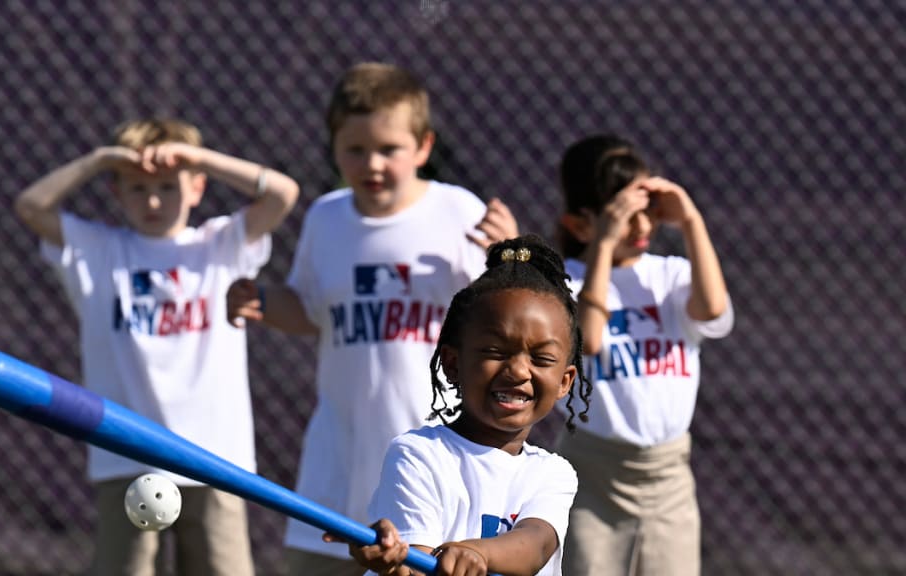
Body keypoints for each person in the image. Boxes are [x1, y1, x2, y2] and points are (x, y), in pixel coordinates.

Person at [226, 62, 518, 576]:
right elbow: (310, 309)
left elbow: (507, 316)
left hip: (434, 464)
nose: (372, 164)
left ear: (424, 147)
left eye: (389, 149)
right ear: (334, 148)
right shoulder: (326, 217)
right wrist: (264, 302)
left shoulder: (458, 213)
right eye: (355, 150)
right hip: (337, 466)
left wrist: (509, 256)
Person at [13, 118, 300, 576]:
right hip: (125, 456)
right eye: (136, 187)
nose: (152, 200)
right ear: (116, 192)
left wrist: (199, 157)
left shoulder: (220, 245)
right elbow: (30, 206)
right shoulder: (99, 251)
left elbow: (283, 194)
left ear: (197, 188)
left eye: (168, 187)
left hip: (214, 458)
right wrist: (99, 160)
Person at [327, 235, 594, 576]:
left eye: (541, 358)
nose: (517, 371)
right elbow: (414, 566)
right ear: (453, 364)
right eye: (495, 352)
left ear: (564, 382)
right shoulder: (419, 454)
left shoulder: (552, 473)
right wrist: (393, 566)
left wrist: (474, 552)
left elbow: (535, 545)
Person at [553, 134, 734, 576]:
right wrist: (603, 247)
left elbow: (712, 309)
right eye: (623, 217)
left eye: (647, 213)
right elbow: (588, 341)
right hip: (594, 474)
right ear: (580, 225)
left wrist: (690, 221)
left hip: (668, 475)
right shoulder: (562, 283)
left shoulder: (669, 276)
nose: (640, 228)